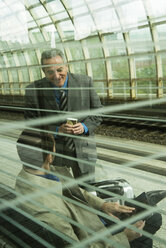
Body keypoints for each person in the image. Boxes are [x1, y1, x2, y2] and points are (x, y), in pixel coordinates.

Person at [15, 129, 161, 248]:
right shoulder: (48, 211)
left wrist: (103, 205)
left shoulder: (32, 175)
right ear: (49, 156)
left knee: (144, 213)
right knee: (152, 219)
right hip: (93, 235)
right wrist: (125, 237)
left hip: (87, 218)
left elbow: (76, 191)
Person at [24, 48, 103, 183]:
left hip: (84, 152)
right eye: (50, 72)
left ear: (66, 66)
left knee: (87, 193)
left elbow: (98, 112)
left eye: (60, 69)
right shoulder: (33, 90)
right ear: (43, 71)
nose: (56, 75)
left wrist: (84, 127)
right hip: (53, 155)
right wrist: (56, 130)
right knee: (59, 194)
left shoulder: (85, 83)